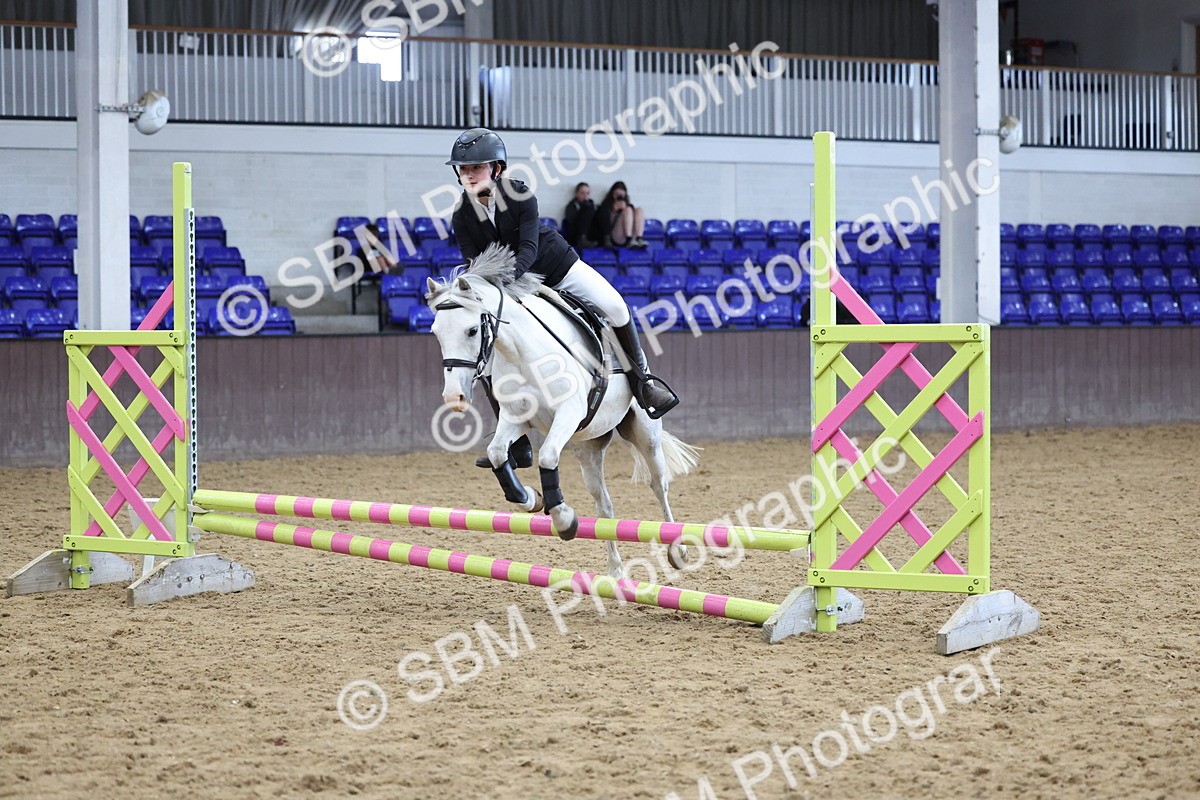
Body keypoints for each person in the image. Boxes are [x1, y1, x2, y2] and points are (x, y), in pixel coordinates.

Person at [444, 127, 679, 468]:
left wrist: (508, 278)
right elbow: (474, 263)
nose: (468, 175)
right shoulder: (462, 214)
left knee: (616, 307)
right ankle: (516, 439)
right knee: (493, 346)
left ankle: (642, 383)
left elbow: (529, 247)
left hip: (557, 269)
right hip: (514, 285)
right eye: (464, 169)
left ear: (496, 169)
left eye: (475, 168)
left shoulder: (519, 194)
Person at [593, 181, 647, 249]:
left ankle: (639, 238)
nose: (619, 197)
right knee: (628, 210)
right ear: (612, 194)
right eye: (616, 194)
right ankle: (629, 240)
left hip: (632, 236)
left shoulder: (628, 206)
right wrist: (613, 211)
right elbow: (603, 226)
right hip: (616, 235)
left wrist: (626, 208)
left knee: (639, 210)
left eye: (621, 194)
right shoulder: (606, 206)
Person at [562, 182, 597, 249]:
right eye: (582, 193)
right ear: (577, 194)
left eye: (587, 193)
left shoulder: (592, 205)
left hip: (590, 233)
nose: (585, 196)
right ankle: (582, 238)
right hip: (576, 235)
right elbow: (571, 222)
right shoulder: (571, 206)